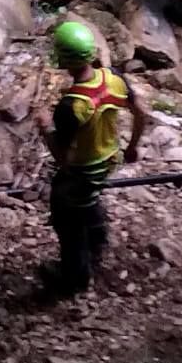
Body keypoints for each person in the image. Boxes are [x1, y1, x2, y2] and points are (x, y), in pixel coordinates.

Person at [36, 21, 144, 297]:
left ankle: (75, 277)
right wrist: (132, 147)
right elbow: (140, 110)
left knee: (66, 217)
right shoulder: (113, 79)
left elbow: (63, 157)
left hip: (84, 169)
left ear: (62, 58)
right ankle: (97, 240)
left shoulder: (72, 106)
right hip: (110, 158)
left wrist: (46, 127)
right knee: (89, 198)